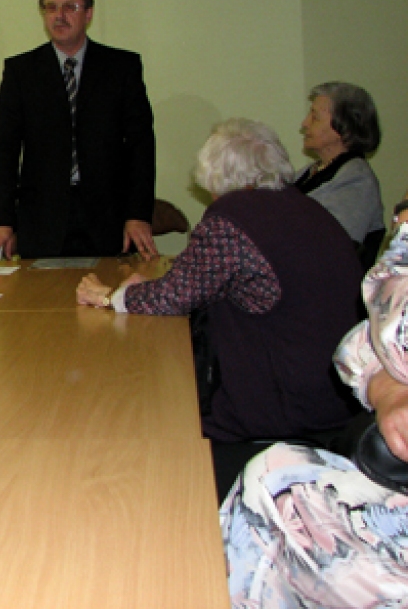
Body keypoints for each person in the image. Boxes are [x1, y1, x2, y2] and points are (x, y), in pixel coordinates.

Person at [76, 119, 361, 447]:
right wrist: (146, 288)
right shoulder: (303, 207)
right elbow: (201, 277)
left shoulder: (233, 216)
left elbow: (175, 297)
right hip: (338, 397)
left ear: (214, 174)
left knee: (146, 417)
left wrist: (112, 296)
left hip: (283, 411)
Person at [221, 197, 408, 609]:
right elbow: (361, 343)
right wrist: (390, 387)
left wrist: (406, 238)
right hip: (331, 416)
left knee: (271, 492)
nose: (305, 126)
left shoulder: (233, 220)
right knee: (276, 472)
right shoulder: (299, 205)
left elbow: (395, 335)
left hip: (293, 405)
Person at [0, 0, 157, 262]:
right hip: (42, 222)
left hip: (108, 221)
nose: (59, 15)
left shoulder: (122, 68)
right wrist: (2, 221)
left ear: (88, 13)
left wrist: (138, 215)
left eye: (70, 7)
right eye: (51, 7)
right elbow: (4, 151)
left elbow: (141, 147)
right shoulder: (20, 73)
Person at [295, 81, 384, 246]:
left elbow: (333, 246)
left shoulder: (357, 180)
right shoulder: (308, 172)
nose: (305, 123)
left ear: (344, 127)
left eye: (315, 117)